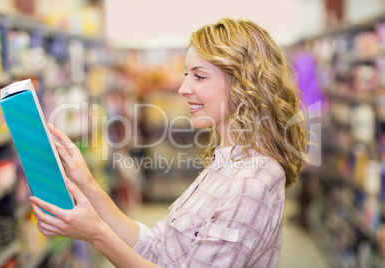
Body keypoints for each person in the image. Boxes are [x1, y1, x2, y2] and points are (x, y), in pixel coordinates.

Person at [30, 17, 308, 267]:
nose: (183, 88)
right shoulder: (225, 161)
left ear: (243, 83)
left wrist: (96, 234)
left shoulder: (251, 182)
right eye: (187, 75)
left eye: (199, 76)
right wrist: (88, 184)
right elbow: (159, 247)